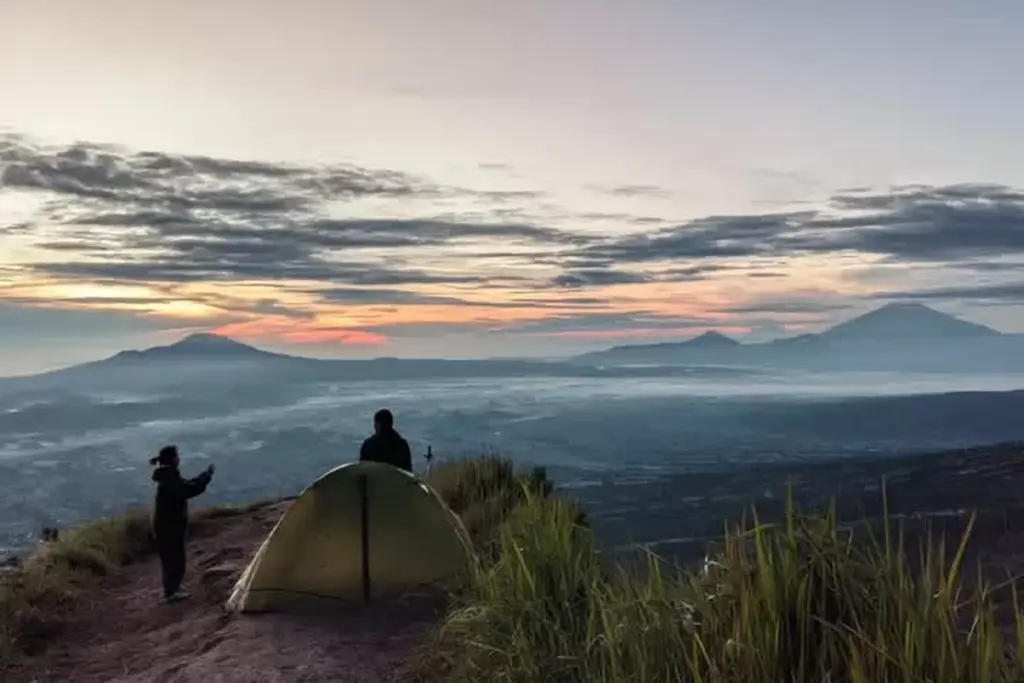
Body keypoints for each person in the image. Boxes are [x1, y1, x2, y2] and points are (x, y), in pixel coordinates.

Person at [149, 444, 214, 603]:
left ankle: (173, 589)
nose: (179, 459)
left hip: (166, 526)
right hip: (169, 527)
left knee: (172, 559)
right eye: (177, 456)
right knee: (174, 560)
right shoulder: (170, 479)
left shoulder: (168, 476)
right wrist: (206, 476)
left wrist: (204, 476)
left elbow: (187, 486)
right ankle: (171, 592)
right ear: (173, 459)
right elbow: (189, 490)